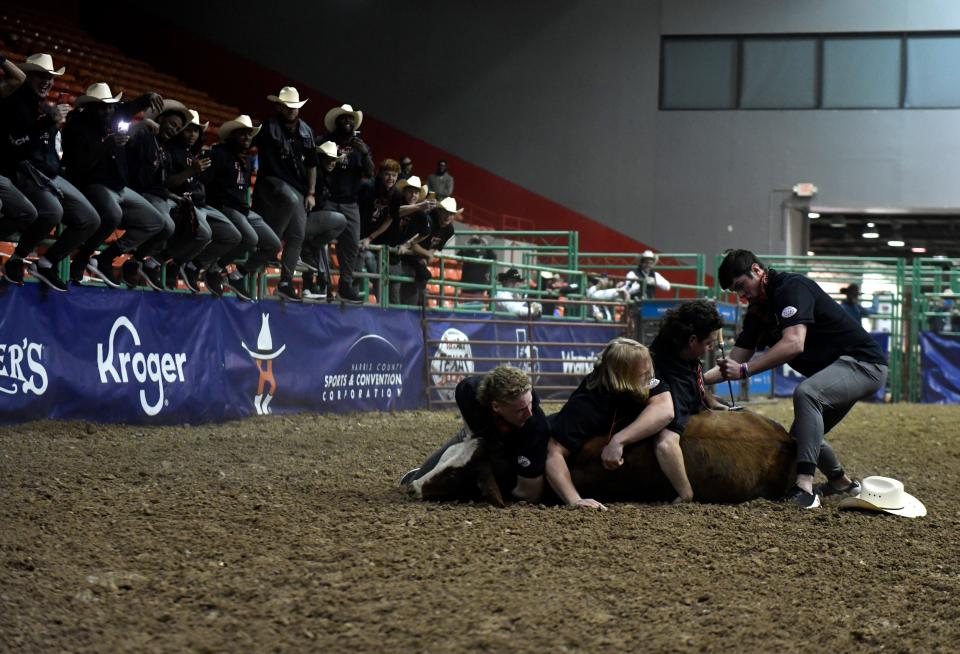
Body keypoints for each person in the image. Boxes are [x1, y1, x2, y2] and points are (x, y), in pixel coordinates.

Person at [705, 249, 888, 509]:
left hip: (864, 364)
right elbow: (731, 364)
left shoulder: (791, 288)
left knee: (807, 393)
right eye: (736, 291)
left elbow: (793, 344)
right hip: (840, 369)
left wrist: (745, 370)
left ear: (757, 271)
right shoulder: (759, 311)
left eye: (742, 286)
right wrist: (698, 379)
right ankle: (842, 484)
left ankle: (805, 489)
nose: (742, 295)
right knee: (799, 437)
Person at [546, 336, 693, 509]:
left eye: (649, 372)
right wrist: (575, 500)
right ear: (622, 376)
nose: (650, 378)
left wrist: (619, 440)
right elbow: (554, 452)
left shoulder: (645, 373)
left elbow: (665, 410)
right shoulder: (587, 403)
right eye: (643, 374)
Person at [0, 54, 100, 291]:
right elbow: (18, 146)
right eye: (40, 76)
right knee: (51, 212)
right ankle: (18, 258)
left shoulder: (43, 106)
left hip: (49, 172)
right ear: (26, 78)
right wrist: (48, 123)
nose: (47, 82)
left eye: (50, 78)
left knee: (91, 219)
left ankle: (46, 262)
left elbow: (48, 148)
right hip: (24, 170)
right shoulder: (14, 101)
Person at [62, 82, 167, 287]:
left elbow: (131, 106)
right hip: (93, 183)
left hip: (119, 187)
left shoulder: (113, 114)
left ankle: (105, 258)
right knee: (112, 215)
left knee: (155, 220)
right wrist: (105, 145)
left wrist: (148, 96)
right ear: (91, 108)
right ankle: (83, 257)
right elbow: (79, 166)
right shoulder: (77, 127)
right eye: (104, 106)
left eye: (111, 106)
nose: (110, 110)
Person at [399, 365, 550, 503]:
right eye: (520, 410)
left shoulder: (536, 428)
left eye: (530, 403)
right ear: (496, 406)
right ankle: (422, 474)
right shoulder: (469, 392)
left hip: (513, 452)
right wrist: (477, 441)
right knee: (416, 484)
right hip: (483, 434)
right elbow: (472, 428)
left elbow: (529, 493)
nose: (529, 412)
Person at [124, 100, 201, 290]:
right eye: (172, 125)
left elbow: (159, 181)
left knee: (188, 228)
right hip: (137, 192)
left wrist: (170, 195)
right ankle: (123, 258)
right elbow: (143, 177)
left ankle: (143, 262)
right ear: (160, 119)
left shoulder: (164, 148)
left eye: (178, 127)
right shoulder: (144, 136)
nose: (175, 129)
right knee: (165, 224)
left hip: (158, 195)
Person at [251, 86, 317, 301]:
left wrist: (311, 192)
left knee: (298, 233)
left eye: (295, 107)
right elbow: (245, 145)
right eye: (288, 107)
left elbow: (312, 165)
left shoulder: (306, 131)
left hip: (298, 190)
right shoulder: (267, 127)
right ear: (279, 107)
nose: (291, 111)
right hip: (270, 182)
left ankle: (286, 282)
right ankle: (271, 246)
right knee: (287, 198)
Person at [205, 114, 281, 302]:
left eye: (249, 135)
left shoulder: (245, 160)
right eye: (242, 134)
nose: (247, 138)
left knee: (273, 244)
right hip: (224, 207)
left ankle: (237, 275)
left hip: (243, 210)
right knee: (250, 239)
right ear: (232, 135)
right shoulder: (219, 154)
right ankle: (214, 269)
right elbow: (207, 183)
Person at [166, 109, 242, 296]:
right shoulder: (169, 150)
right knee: (205, 233)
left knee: (233, 236)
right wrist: (191, 172)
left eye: (196, 131)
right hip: (181, 202)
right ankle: (171, 263)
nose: (193, 134)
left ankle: (193, 265)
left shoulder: (192, 153)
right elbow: (166, 183)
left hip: (201, 203)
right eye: (188, 130)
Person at [317, 103, 374, 304]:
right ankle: (320, 282)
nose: (347, 122)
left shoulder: (360, 146)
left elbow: (370, 173)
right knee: (320, 242)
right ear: (336, 122)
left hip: (351, 204)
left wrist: (365, 153)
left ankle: (345, 285)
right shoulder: (324, 141)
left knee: (351, 246)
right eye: (343, 118)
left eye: (350, 118)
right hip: (328, 200)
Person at [300, 141, 347, 302]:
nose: (331, 162)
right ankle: (320, 285)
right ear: (320, 158)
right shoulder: (316, 175)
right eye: (327, 158)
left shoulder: (327, 177)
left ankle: (309, 286)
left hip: (310, 223)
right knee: (340, 221)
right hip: (303, 220)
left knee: (316, 247)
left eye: (334, 159)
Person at [385, 175, 434, 305]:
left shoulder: (420, 214)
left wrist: (408, 244)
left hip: (395, 256)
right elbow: (395, 212)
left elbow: (425, 233)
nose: (413, 195)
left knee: (394, 290)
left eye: (416, 192)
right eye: (410, 191)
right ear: (404, 192)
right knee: (385, 286)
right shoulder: (398, 203)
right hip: (382, 249)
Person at [357, 158, 401, 300]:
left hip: (374, 238)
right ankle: (349, 298)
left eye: (394, 175)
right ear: (380, 174)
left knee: (377, 273)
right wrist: (357, 236)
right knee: (358, 267)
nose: (391, 178)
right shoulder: (367, 186)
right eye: (388, 174)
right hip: (357, 233)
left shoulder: (397, 194)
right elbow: (354, 209)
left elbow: (390, 219)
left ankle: (381, 304)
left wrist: (371, 238)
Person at [458, 235, 497, 307]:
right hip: (466, 286)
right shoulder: (468, 251)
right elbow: (457, 257)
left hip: (479, 287)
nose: (476, 243)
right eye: (474, 242)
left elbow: (494, 258)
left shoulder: (485, 253)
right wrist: (468, 243)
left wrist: (486, 245)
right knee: (464, 308)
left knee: (476, 308)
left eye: (478, 242)